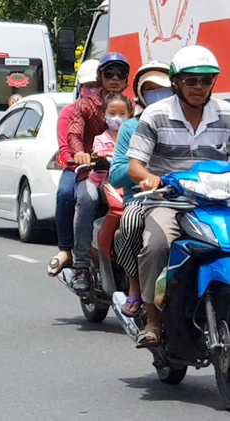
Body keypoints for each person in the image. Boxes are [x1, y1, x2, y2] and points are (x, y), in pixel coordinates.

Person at [126, 45, 230, 347]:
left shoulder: (226, 114)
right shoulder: (156, 115)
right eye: (191, 80)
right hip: (170, 200)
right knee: (156, 244)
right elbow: (135, 166)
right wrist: (150, 179)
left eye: (206, 80)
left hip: (217, 202)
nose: (199, 87)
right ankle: (153, 321)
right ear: (176, 82)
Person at [108, 61, 172, 317]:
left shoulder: (183, 120)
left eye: (163, 88)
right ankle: (135, 287)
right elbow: (117, 173)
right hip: (143, 199)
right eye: (151, 89)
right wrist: (145, 176)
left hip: (188, 197)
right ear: (141, 94)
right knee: (132, 223)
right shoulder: (131, 127)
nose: (158, 94)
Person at [67, 52, 131, 293]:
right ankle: (81, 265)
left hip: (126, 177)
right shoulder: (84, 106)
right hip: (94, 174)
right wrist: (80, 154)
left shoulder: (134, 107)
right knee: (86, 199)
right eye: (109, 74)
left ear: (126, 80)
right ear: (99, 77)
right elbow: (74, 134)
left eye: (120, 74)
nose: (114, 78)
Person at [48, 59, 101, 276]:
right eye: (88, 87)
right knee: (65, 194)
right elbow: (65, 146)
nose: (93, 92)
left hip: (108, 168)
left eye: (97, 86)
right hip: (78, 169)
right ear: (79, 88)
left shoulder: (115, 109)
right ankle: (66, 250)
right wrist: (77, 158)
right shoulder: (70, 113)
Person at [90, 93, 133, 187]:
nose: (117, 118)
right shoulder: (99, 140)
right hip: (103, 183)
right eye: (112, 113)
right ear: (103, 115)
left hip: (126, 182)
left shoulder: (133, 139)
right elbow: (100, 156)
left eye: (122, 114)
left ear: (129, 115)